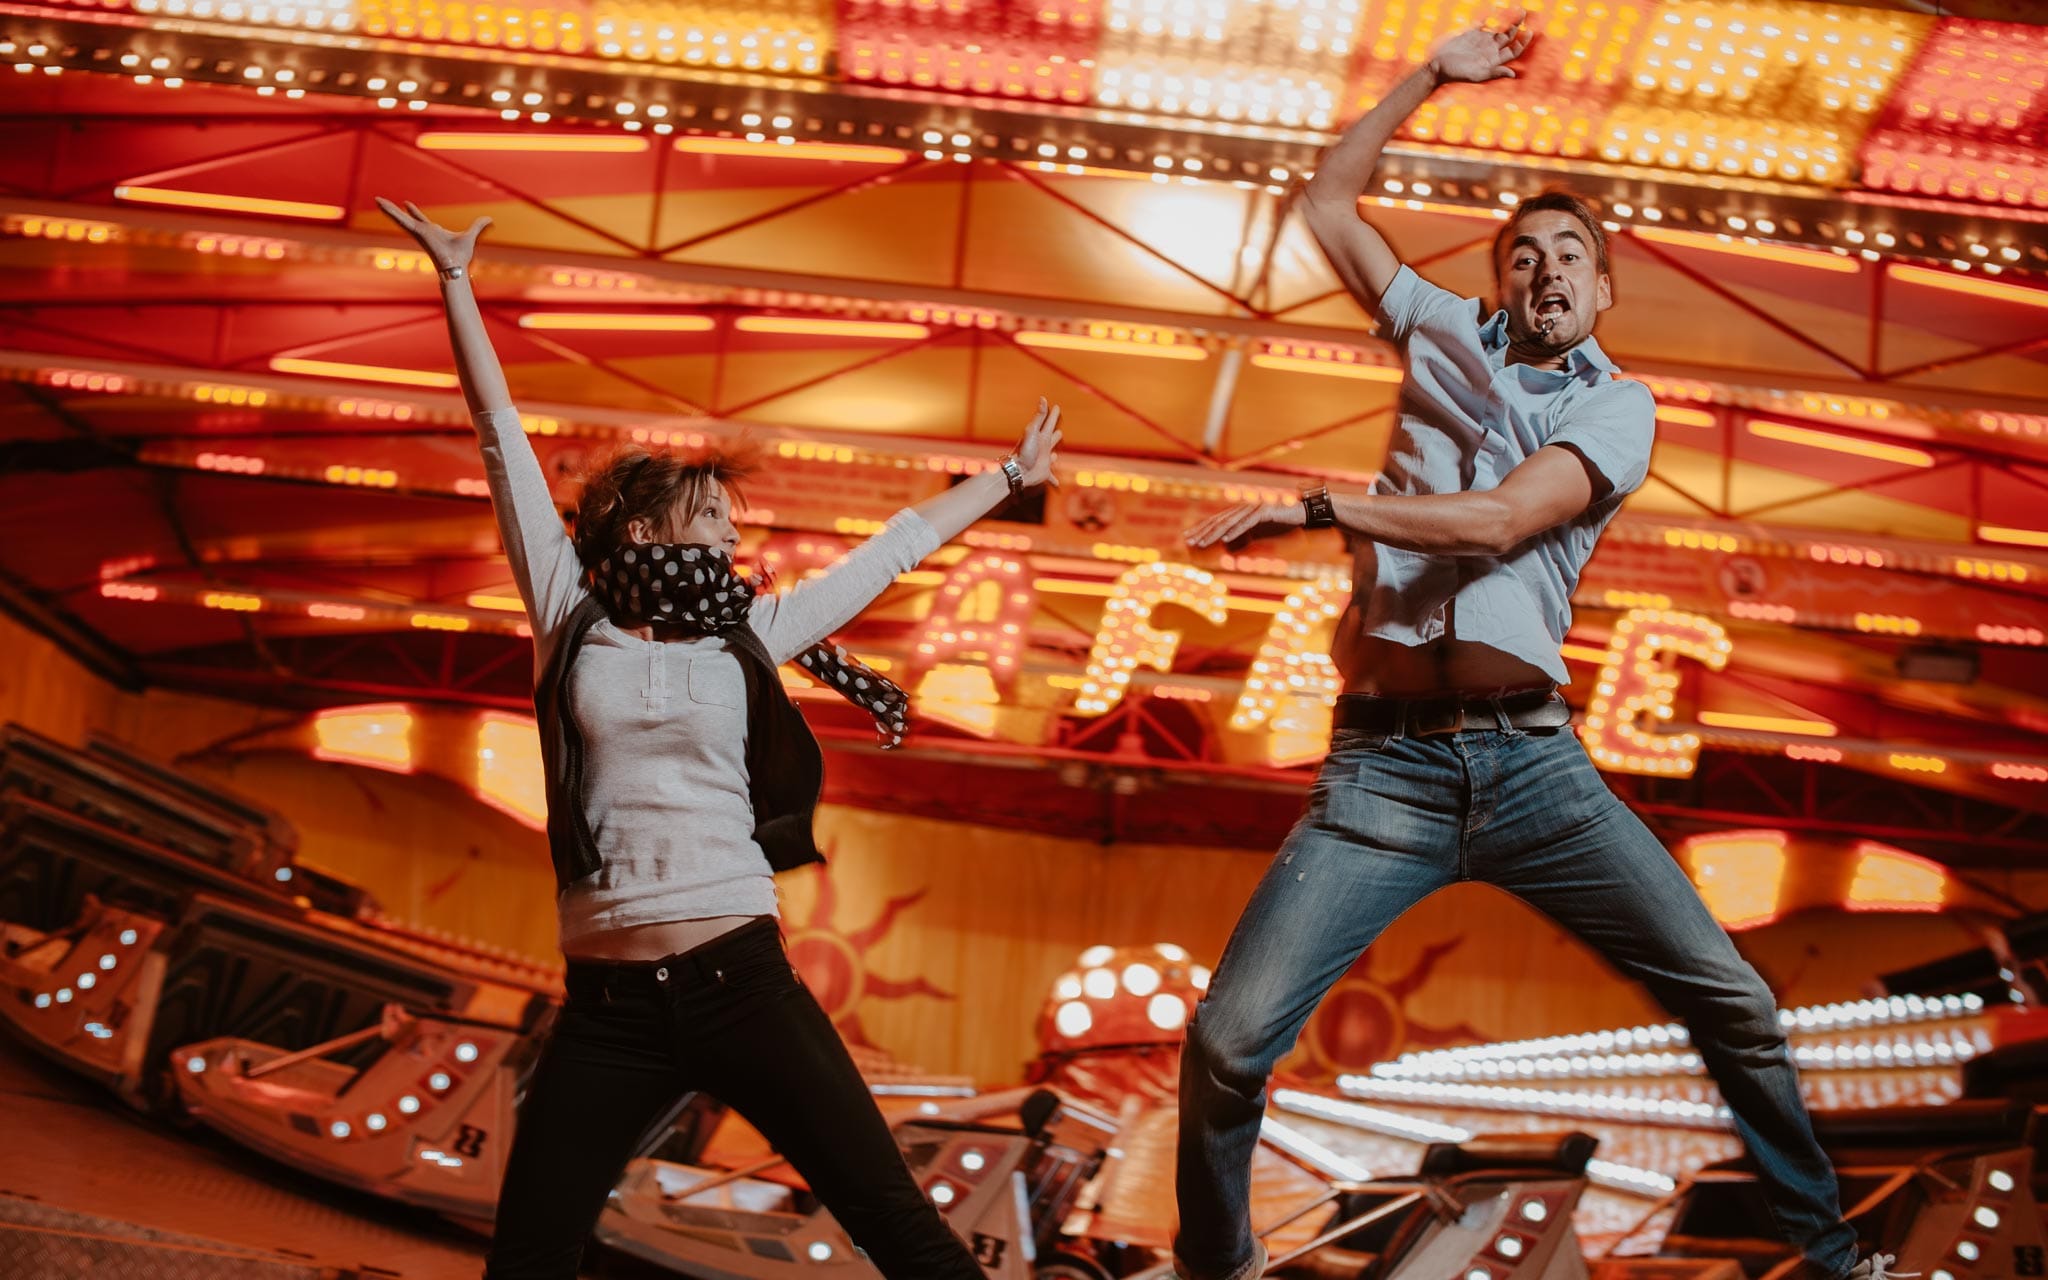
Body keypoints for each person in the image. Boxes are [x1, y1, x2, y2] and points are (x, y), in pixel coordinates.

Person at [1171, 16, 1898, 1280]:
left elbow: (1504, 518)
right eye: (1523, 253)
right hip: (1378, 781)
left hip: (1534, 778)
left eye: (1569, 253)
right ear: (1501, 279)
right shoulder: (1436, 329)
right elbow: (1327, 198)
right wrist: (1425, 79)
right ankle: (1213, 1261)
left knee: (1731, 999)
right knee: (1226, 1046)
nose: (1544, 268)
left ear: (1600, 288)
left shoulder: (1619, 406)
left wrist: (1322, 506)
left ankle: (1830, 1259)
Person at [377, 196, 1062, 1280]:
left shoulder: (751, 631)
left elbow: (884, 556)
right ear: (643, 529)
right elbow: (501, 444)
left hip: (740, 978)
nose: (734, 544)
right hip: (605, 1005)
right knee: (528, 1255)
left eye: (735, 533)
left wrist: (1004, 480)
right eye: (713, 523)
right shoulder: (569, 617)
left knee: (893, 1217)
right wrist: (456, 284)